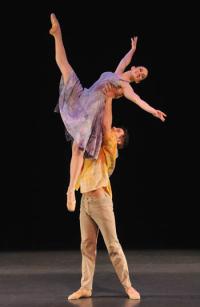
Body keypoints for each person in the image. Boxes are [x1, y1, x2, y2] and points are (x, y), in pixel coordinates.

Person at [49, 13, 167, 212]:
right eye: (140, 70)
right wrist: (132, 50)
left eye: (142, 76)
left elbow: (138, 101)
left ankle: (70, 191)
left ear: (138, 81)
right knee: (65, 67)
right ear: (135, 67)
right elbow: (123, 63)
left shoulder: (125, 87)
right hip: (84, 95)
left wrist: (152, 111)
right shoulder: (117, 74)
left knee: (77, 148)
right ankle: (57, 33)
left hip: (91, 111)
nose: (139, 73)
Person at [66, 84, 140, 300]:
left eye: (119, 132)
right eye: (117, 129)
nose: (115, 129)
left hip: (100, 201)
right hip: (86, 201)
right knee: (87, 246)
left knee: (113, 245)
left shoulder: (111, 149)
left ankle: (128, 286)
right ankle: (85, 287)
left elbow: (106, 124)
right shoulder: (98, 143)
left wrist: (108, 99)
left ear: (119, 140)